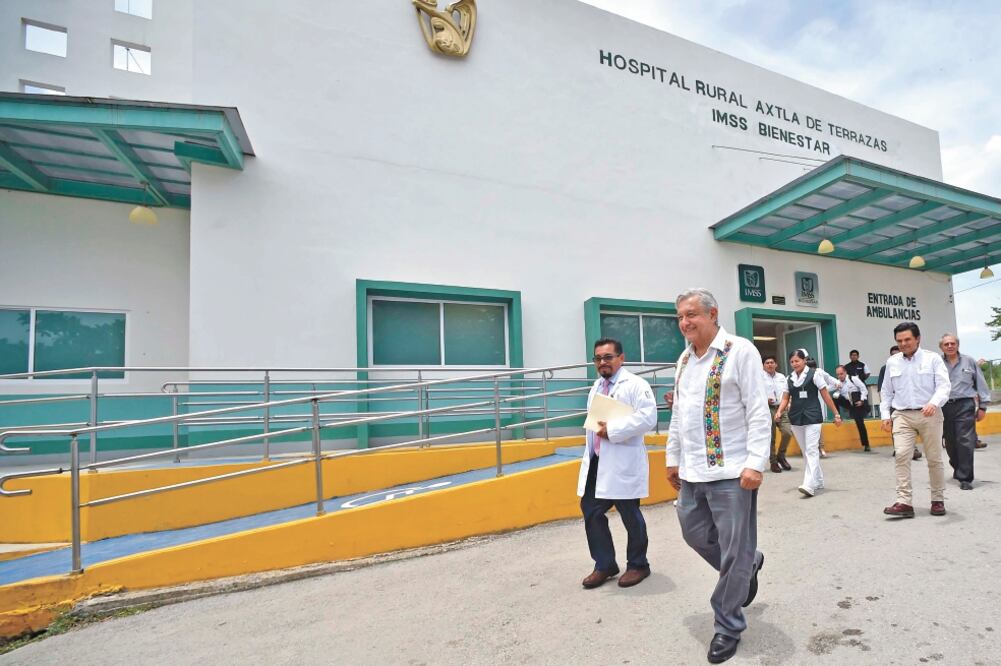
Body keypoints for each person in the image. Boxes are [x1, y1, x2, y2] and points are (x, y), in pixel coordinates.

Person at [665, 288, 770, 664]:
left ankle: (727, 625)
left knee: (733, 549)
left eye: (691, 314)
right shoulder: (683, 359)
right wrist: (672, 457)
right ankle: (748, 562)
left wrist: (756, 462)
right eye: (680, 317)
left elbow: (758, 409)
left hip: (732, 471)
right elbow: (679, 414)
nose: (684, 323)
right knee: (694, 534)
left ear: (713, 313)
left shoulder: (739, 351)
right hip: (693, 470)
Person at [577, 338, 658, 589]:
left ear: (621, 358)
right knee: (590, 510)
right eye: (598, 358)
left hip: (622, 461)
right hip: (597, 461)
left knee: (629, 514)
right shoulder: (596, 386)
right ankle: (605, 564)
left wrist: (613, 430)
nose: (603, 362)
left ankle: (638, 564)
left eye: (608, 357)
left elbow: (648, 418)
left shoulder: (635, 384)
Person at [880, 322, 951, 518]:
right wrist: (885, 415)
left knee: (934, 458)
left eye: (907, 339)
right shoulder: (892, 362)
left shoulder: (933, 359)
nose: (903, 343)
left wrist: (934, 403)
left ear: (917, 338)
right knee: (902, 454)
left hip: (930, 414)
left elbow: (944, 386)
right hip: (902, 415)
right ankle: (904, 502)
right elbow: (886, 392)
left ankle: (937, 499)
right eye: (899, 341)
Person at [774, 349, 842, 497]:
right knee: (806, 451)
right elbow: (785, 398)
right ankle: (818, 480)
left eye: (797, 361)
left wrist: (836, 414)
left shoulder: (815, 374)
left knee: (811, 450)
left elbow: (825, 396)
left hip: (813, 416)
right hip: (796, 417)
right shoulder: (789, 378)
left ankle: (808, 484)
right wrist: (779, 411)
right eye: (792, 361)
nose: (794, 364)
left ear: (804, 360)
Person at [939, 334, 990, 490]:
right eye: (946, 344)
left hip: (965, 405)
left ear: (958, 345)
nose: (949, 346)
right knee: (950, 441)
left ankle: (966, 478)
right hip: (944, 406)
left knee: (965, 441)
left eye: (952, 343)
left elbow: (981, 384)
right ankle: (957, 466)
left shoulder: (969, 361)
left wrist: (982, 406)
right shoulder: (937, 363)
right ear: (941, 347)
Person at [879, 344, 921, 460]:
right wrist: (885, 410)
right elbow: (882, 389)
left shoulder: (912, 365)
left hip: (908, 403)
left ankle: (913, 448)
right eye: (893, 354)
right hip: (893, 403)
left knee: (911, 427)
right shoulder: (886, 367)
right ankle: (899, 448)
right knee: (896, 428)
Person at [762, 355, 793, 473]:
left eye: (772, 362)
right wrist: (764, 400)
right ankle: (773, 462)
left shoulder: (781, 377)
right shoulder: (759, 377)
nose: (770, 364)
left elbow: (786, 392)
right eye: (767, 363)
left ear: (776, 364)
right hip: (767, 409)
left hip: (781, 408)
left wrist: (788, 403)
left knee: (787, 432)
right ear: (763, 365)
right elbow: (754, 392)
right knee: (771, 437)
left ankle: (781, 455)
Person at [835, 364, 871, 451]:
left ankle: (866, 444)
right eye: (838, 374)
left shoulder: (853, 379)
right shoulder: (837, 382)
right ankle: (838, 416)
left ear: (845, 372)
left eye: (841, 373)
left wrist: (862, 400)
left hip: (857, 403)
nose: (840, 376)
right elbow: (827, 388)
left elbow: (864, 389)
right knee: (835, 396)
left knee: (859, 423)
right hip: (848, 402)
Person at [806, 357, 837, 458]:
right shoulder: (800, 375)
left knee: (817, 426)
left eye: (813, 368)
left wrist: (837, 384)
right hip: (804, 405)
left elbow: (829, 380)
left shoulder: (819, 373)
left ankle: (821, 447)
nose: (812, 370)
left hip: (817, 404)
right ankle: (811, 449)